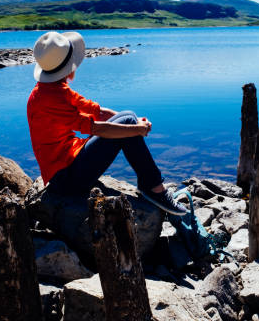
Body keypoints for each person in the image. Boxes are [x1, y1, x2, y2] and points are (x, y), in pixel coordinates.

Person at [26, 31, 186, 215]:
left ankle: (151, 185)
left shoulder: (52, 89)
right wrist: (135, 129)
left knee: (128, 115)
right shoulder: (51, 98)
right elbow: (96, 128)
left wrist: (136, 123)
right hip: (67, 179)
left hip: (69, 166)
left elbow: (98, 112)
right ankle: (154, 189)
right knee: (127, 123)